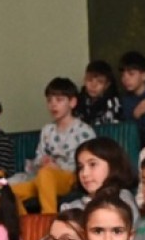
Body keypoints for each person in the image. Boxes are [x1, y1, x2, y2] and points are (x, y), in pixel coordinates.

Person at [8, 77, 96, 214]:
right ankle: (28, 226)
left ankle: (48, 219)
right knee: (9, 191)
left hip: (68, 177)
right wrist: (42, 161)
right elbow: (39, 156)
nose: (53, 105)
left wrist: (57, 167)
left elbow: (86, 162)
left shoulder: (83, 130)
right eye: (49, 100)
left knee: (46, 174)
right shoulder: (47, 130)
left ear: (72, 102)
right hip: (44, 177)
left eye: (59, 100)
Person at [63, 137, 138, 215]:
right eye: (80, 167)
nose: (84, 173)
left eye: (92, 164)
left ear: (113, 166)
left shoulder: (123, 199)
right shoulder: (72, 207)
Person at [77, 60, 123, 127]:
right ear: (84, 80)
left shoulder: (112, 102)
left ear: (107, 85)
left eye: (100, 82)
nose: (93, 85)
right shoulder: (79, 100)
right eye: (89, 80)